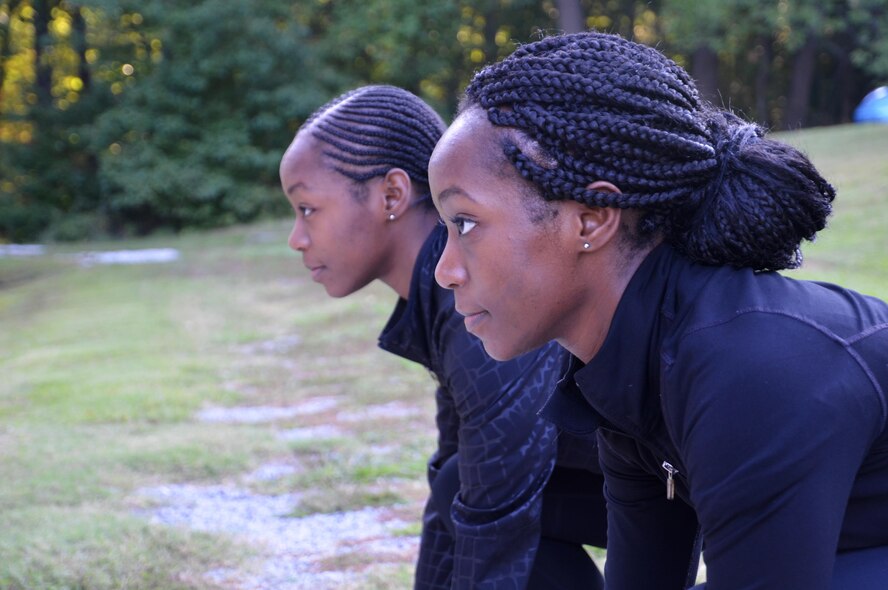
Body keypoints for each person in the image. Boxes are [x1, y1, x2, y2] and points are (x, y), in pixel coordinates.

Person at [429, 32, 888, 590]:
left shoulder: (748, 366)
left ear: (592, 220)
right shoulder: (633, 367)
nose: (444, 269)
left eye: (466, 223)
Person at [279, 85, 607, 589]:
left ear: (391, 194)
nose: (296, 239)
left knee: (489, 508)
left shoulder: (478, 298)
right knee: (459, 481)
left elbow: (497, 520)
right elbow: (458, 492)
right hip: (638, 488)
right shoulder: (440, 299)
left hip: (697, 492)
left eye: (307, 209)